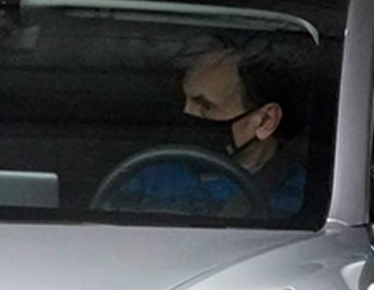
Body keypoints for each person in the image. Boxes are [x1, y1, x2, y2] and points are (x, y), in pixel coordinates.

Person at [113, 38, 308, 216]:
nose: (187, 115)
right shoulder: (151, 172)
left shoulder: (303, 201)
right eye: (185, 101)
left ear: (265, 121)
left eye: (205, 107)